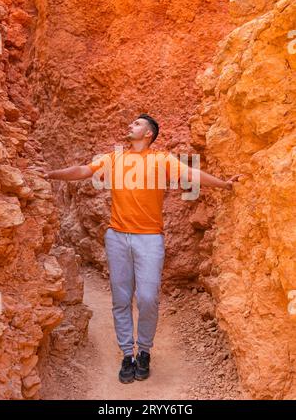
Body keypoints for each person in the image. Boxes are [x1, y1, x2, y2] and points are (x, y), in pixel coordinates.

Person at [36, 113, 242, 384]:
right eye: (131, 122)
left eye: (136, 124)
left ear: (148, 134)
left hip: (149, 239)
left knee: (147, 297)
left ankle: (144, 350)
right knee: (121, 299)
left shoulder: (161, 159)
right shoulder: (114, 158)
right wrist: (51, 174)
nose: (129, 125)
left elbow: (191, 174)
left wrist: (224, 184)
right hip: (117, 237)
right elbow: (84, 171)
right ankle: (127, 354)